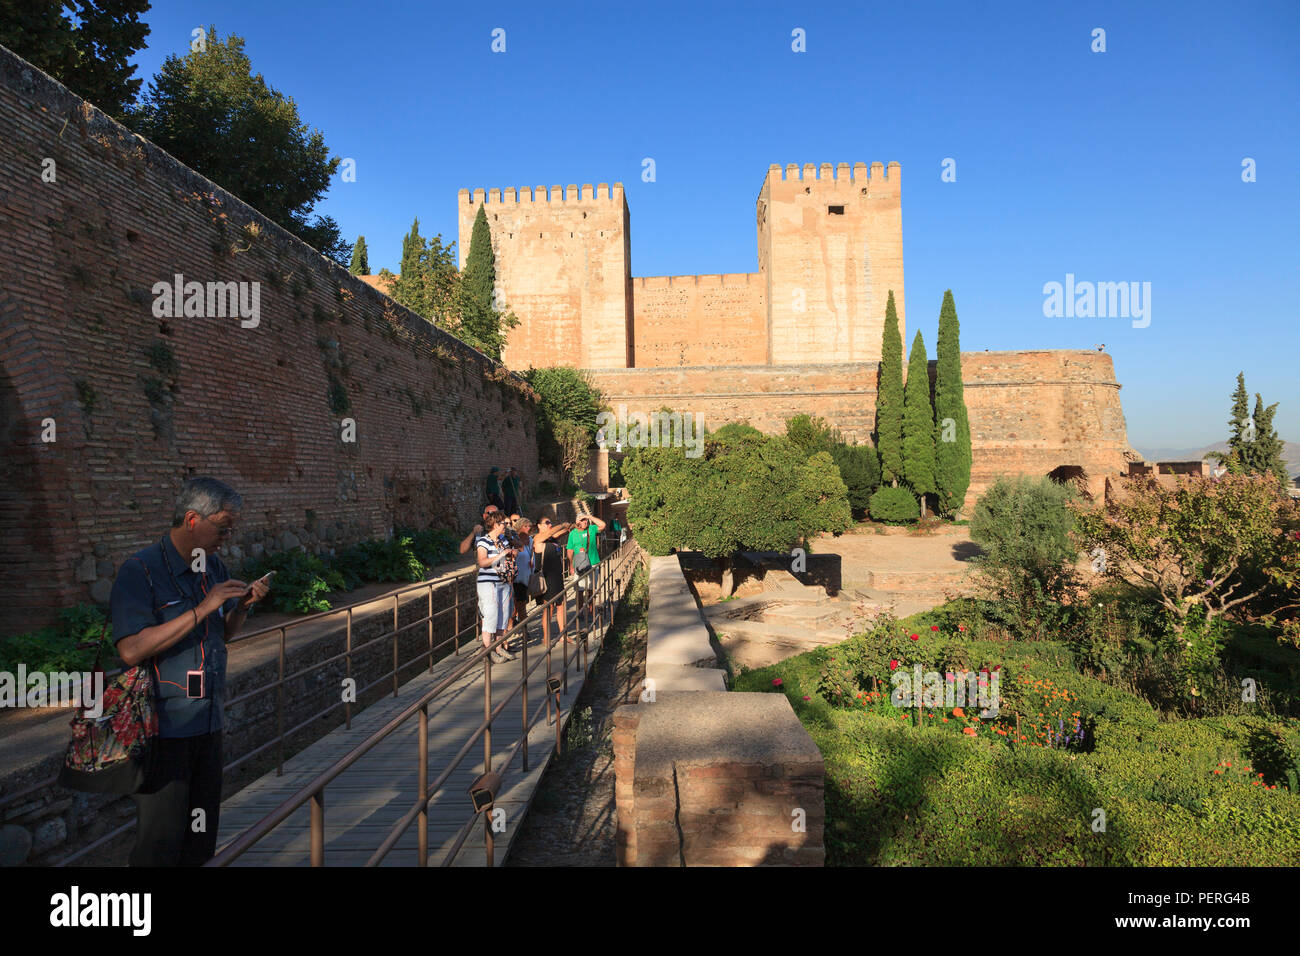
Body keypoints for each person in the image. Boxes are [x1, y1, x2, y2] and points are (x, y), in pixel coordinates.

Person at [110, 477, 271, 866]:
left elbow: (223, 635)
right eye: (223, 526)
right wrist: (202, 607)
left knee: (201, 836)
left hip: (207, 720)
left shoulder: (212, 566)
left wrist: (243, 606)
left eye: (232, 528)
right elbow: (131, 650)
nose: (228, 536)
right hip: (163, 728)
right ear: (192, 519)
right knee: (160, 842)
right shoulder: (140, 571)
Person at [475, 511, 517, 663]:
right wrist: (500, 555)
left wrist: (511, 554)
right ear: (494, 524)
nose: (505, 526)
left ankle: (499, 648)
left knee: (503, 615)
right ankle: (488, 650)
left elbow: (505, 557)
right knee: (491, 616)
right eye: (503, 524)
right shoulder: (483, 541)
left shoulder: (502, 540)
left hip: (504, 582)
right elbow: (482, 562)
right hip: (488, 583)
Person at [566, 508, 606, 622]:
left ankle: (591, 612)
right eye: (582, 520)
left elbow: (603, 525)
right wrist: (571, 566)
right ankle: (579, 613)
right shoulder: (573, 533)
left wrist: (589, 517)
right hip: (578, 565)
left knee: (590, 589)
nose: (585, 522)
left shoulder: (592, 529)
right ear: (577, 522)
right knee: (579, 590)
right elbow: (569, 550)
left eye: (585, 520)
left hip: (592, 563)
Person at [511, 516, 533, 630]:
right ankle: (523, 630)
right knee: (519, 605)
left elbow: (531, 556)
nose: (528, 528)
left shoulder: (531, 540)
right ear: (519, 527)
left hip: (526, 576)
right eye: (525, 526)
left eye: (529, 526)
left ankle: (515, 626)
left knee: (519, 605)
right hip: (516, 577)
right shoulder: (514, 540)